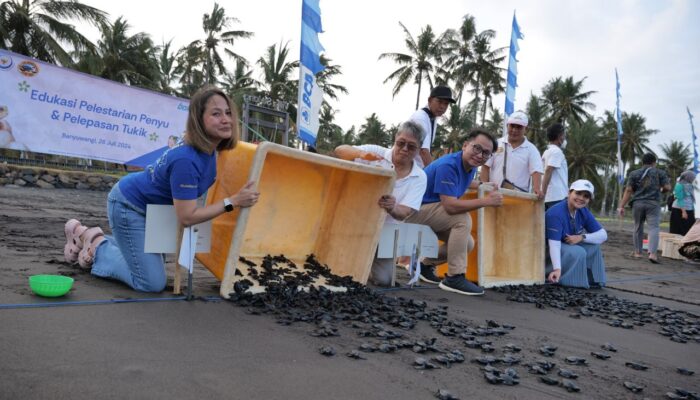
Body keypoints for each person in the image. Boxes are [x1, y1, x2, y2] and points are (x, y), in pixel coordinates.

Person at [62, 86, 260, 292]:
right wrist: (233, 202)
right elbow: (187, 217)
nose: (226, 119)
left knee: (148, 266)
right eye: (216, 114)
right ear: (198, 120)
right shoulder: (187, 159)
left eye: (228, 113)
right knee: (150, 282)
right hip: (129, 206)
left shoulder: (210, 151)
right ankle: (97, 246)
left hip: (159, 213)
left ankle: (91, 236)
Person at [405, 128, 503, 295]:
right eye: (477, 148)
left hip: (427, 213)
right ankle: (454, 277)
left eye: (486, 153)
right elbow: (450, 206)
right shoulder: (448, 165)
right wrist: (486, 201)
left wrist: (482, 185)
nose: (480, 155)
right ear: (465, 145)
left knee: (468, 243)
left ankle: (424, 265)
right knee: (461, 219)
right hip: (409, 213)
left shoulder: (468, 166)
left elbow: (461, 183)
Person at [334, 121, 427, 286]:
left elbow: (404, 213)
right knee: (341, 268)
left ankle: (369, 265)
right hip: (357, 221)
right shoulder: (376, 153)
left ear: (419, 150)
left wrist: (393, 207)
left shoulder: (419, 177)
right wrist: (361, 155)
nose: (404, 149)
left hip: (387, 231)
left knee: (384, 279)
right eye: (401, 143)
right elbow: (340, 150)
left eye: (411, 147)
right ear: (395, 139)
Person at [545, 179, 608, 288]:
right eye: (578, 193)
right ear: (569, 193)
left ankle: (593, 280)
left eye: (586, 196)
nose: (581, 198)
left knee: (594, 247)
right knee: (578, 252)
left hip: (564, 247)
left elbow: (603, 235)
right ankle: (562, 278)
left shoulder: (583, 211)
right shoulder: (556, 213)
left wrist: (581, 237)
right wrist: (557, 269)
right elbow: (554, 245)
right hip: (546, 251)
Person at [618, 152, 671, 263]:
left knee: (638, 226)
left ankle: (638, 252)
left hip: (638, 203)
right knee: (654, 228)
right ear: (654, 162)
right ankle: (652, 254)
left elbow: (628, 190)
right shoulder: (660, 173)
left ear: (642, 162)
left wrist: (621, 206)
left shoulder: (634, 173)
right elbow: (667, 187)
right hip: (653, 203)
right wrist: (662, 190)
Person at [480, 110, 544, 199]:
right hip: (494, 194)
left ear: (526, 129)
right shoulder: (496, 144)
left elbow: (536, 171)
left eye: (519, 127)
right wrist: (485, 188)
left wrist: (537, 188)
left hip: (518, 198)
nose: (514, 130)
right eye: (512, 126)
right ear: (507, 126)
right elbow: (485, 167)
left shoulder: (532, 150)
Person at [409, 85, 456, 168]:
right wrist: (433, 172)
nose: (443, 107)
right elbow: (423, 151)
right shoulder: (421, 118)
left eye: (446, 104)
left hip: (414, 169)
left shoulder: (432, 118)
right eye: (439, 101)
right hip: (407, 169)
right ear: (430, 100)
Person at [541, 123, 569, 210]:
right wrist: (543, 193)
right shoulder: (556, 152)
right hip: (557, 197)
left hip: (551, 197)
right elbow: (548, 170)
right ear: (559, 136)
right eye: (564, 135)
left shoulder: (547, 152)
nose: (564, 138)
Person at [670, 170, 696, 235]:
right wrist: (683, 212)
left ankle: (686, 244)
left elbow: (690, 199)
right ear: (688, 177)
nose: (693, 179)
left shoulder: (690, 185)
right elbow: (679, 199)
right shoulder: (679, 185)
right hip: (679, 209)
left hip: (689, 209)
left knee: (689, 229)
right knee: (678, 230)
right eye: (693, 177)